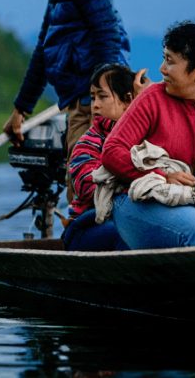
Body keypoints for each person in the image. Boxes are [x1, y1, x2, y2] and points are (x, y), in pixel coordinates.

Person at [101, 21, 195, 248]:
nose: (162, 68)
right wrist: (161, 174)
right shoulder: (153, 97)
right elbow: (112, 151)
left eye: (170, 61)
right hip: (139, 200)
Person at [3, 0, 131, 153]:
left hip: (92, 102)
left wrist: (102, 99)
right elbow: (44, 48)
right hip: (80, 100)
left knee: (86, 181)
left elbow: (108, 34)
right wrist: (21, 109)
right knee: (79, 182)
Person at [62, 63, 136, 251]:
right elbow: (90, 189)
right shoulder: (87, 143)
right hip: (86, 226)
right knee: (126, 232)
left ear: (128, 99)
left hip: (129, 217)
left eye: (102, 97)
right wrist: (139, 182)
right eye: (93, 97)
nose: (94, 105)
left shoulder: (143, 138)